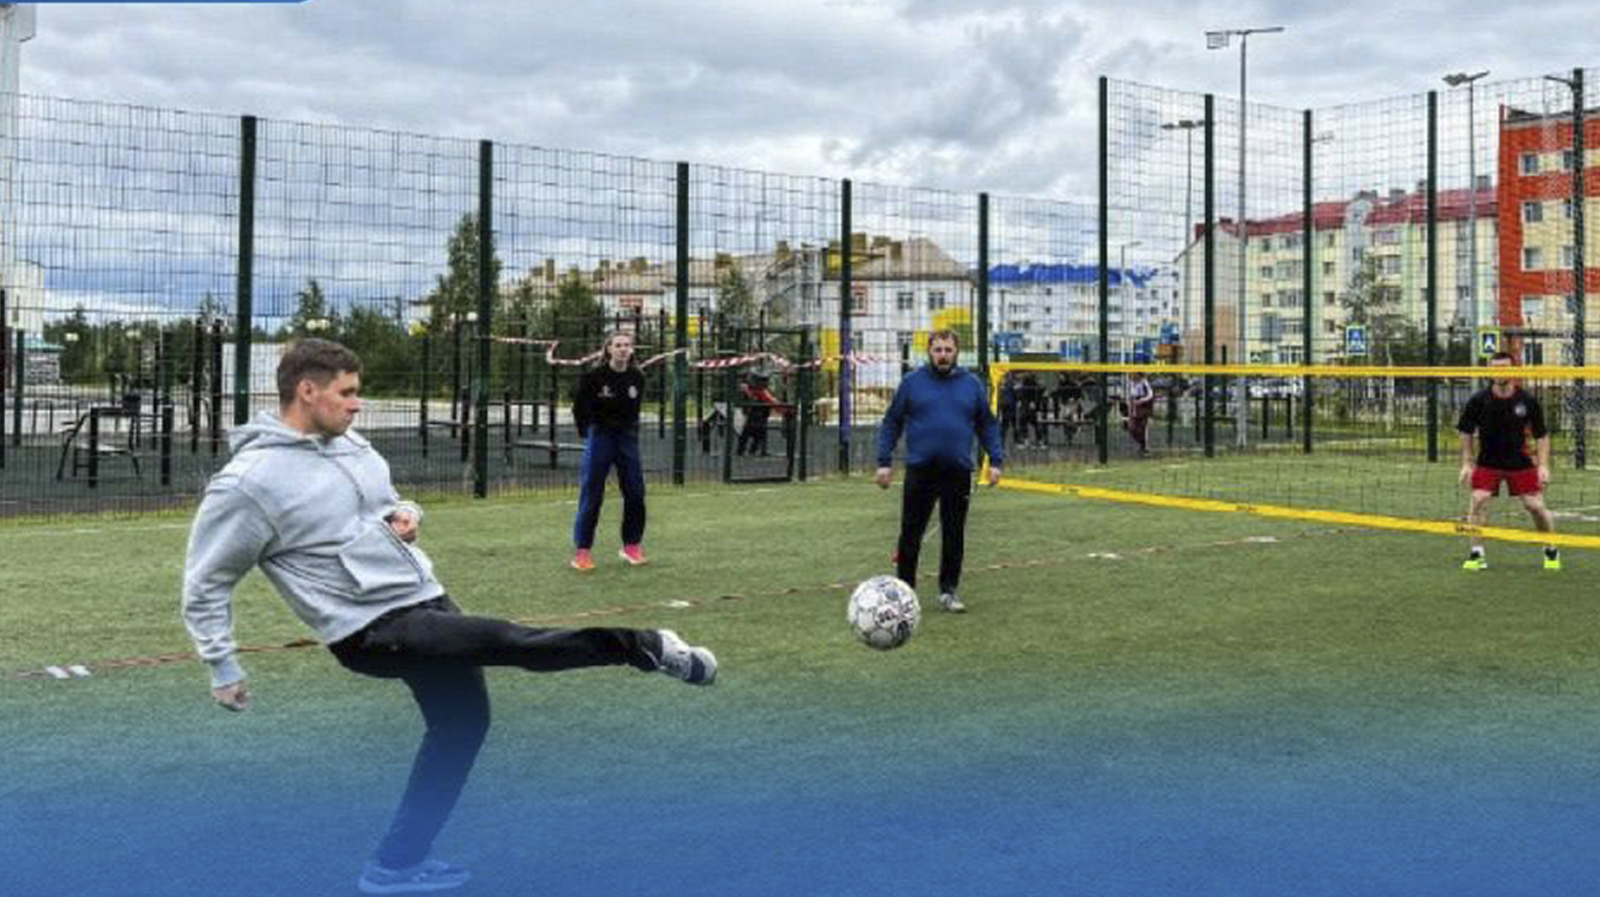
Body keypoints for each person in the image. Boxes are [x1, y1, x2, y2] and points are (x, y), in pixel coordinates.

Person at [181, 338, 716, 895]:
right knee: (509, 640)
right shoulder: (248, 483)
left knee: (462, 726)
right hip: (371, 630)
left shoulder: (351, 444)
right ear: (307, 390)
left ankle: (395, 865)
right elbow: (206, 582)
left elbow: (387, 503)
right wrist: (222, 666)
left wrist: (406, 514)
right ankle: (645, 646)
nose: (358, 404)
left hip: (426, 598)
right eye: (348, 393)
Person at [875, 330, 1004, 613]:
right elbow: (892, 422)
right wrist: (884, 461)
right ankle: (905, 593)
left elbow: (987, 424)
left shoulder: (972, 385)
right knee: (911, 533)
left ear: (957, 352)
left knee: (954, 534)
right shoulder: (912, 383)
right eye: (938, 350)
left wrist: (996, 461)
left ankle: (948, 591)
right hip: (921, 470)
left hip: (957, 472)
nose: (943, 355)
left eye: (948, 349)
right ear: (929, 351)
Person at [1456, 350, 1559, 571]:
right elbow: (1465, 432)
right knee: (1479, 499)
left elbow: (1542, 436)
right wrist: (1467, 463)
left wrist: (1543, 466)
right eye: (1495, 368)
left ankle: (1550, 548)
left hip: (1520, 462)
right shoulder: (1478, 400)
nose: (1499, 372)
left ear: (1513, 370)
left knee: (1535, 506)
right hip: (1488, 462)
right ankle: (1477, 554)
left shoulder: (1527, 401)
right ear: (1489, 371)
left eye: (1504, 368)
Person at [571, 331, 649, 571]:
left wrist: (629, 432)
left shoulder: (637, 377)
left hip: (626, 438)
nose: (623, 349)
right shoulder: (594, 377)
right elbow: (579, 408)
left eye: (627, 345)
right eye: (618, 345)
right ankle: (582, 552)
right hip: (601, 437)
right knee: (592, 493)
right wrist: (589, 433)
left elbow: (634, 410)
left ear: (632, 350)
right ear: (608, 349)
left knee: (635, 492)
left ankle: (631, 546)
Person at [1124, 370, 1155, 457]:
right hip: (1134, 406)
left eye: (1134, 374)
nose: (1132, 376)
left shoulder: (1144, 382)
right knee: (1132, 427)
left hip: (1143, 407)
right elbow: (1129, 396)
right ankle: (1142, 443)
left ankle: (1145, 447)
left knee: (1143, 427)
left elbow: (1150, 395)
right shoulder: (1130, 383)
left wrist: (1141, 400)